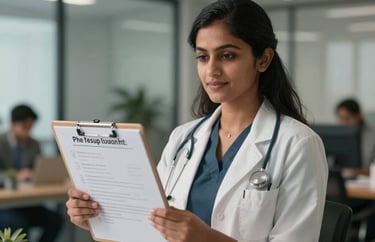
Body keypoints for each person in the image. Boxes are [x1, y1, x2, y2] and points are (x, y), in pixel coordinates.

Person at [66, 0, 328, 241]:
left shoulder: (298, 144)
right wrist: (96, 216)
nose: (211, 70)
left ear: (263, 59)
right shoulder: (183, 138)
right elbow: (149, 225)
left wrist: (206, 239)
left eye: (227, 55)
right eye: (203, 57)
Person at [0, 104, 62, 242]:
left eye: (30, 127)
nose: (28, 132)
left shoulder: (34, 144)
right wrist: (16, 175)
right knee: (19, 224)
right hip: (4, 204)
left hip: (25, 201)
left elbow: (40, 169)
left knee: (55, 220)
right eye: (24, 127)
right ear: (12, 124)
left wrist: (35, 174)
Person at [336, 98, 375, 170]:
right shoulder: (338, 136)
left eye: (347, 119)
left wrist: (356, 172)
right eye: (341, 119)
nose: (344, 124)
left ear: (359, 116)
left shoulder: (372, 135)